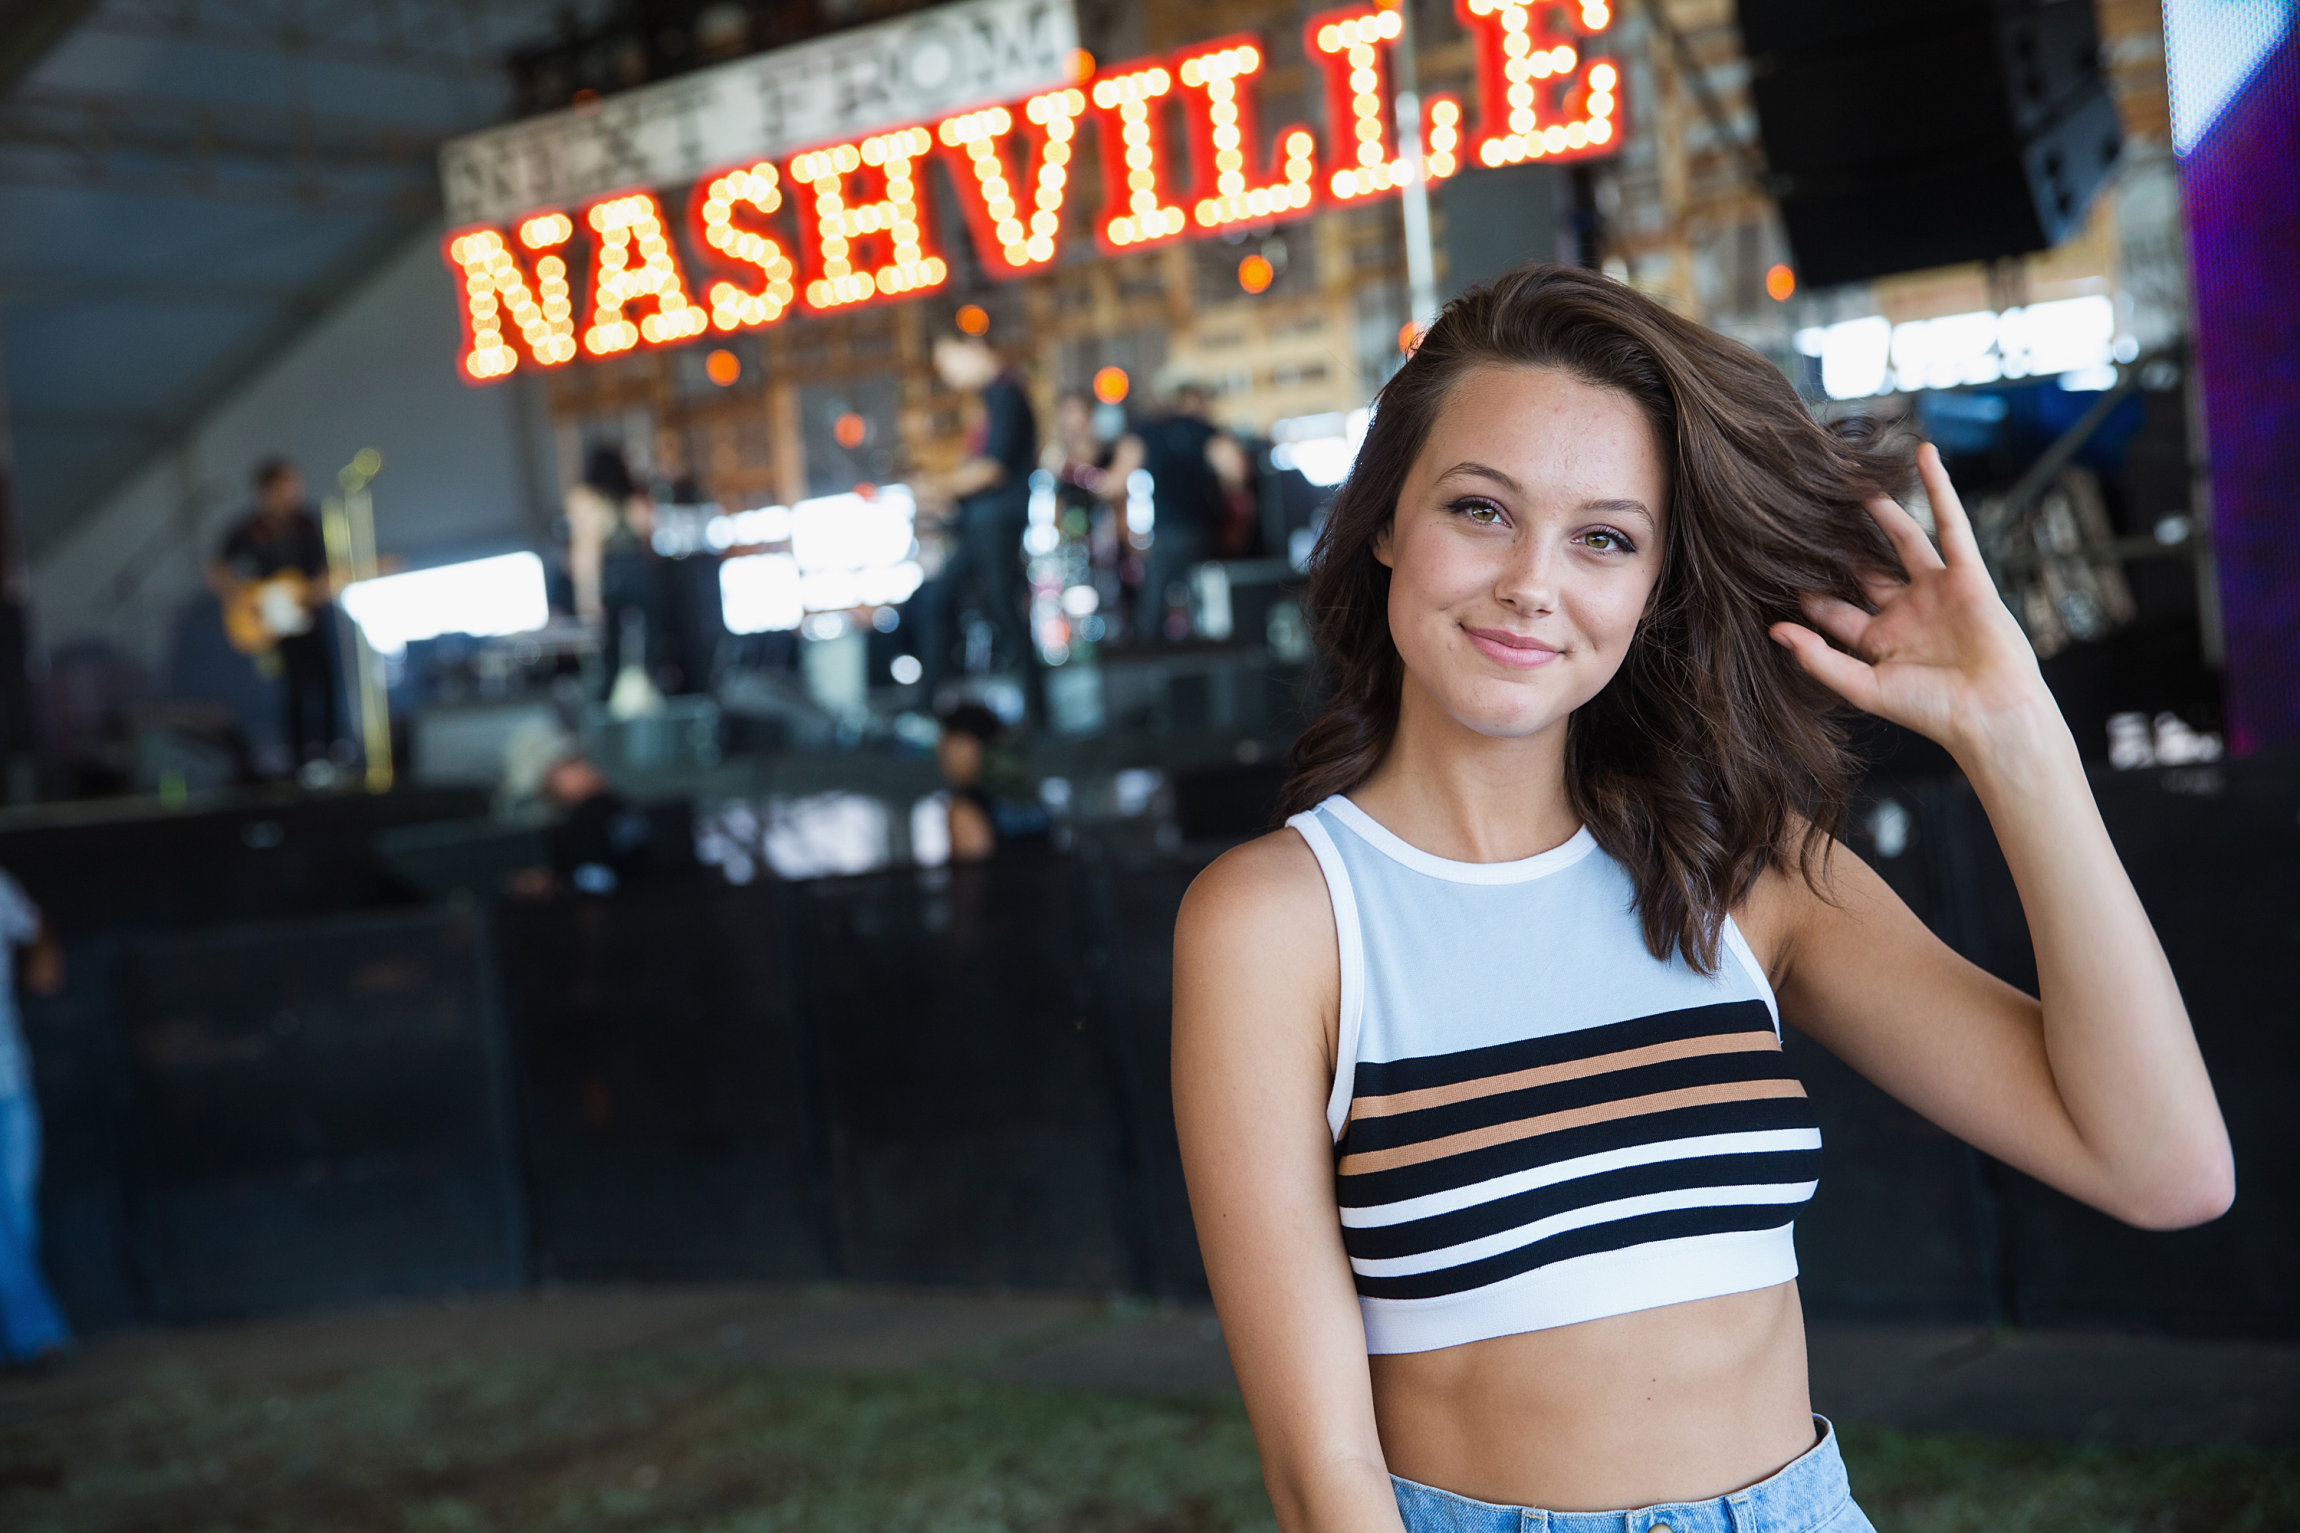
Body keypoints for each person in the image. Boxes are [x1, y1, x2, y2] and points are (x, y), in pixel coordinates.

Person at [1170, 265, 2232, 1532]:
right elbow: (1319, 1476)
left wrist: (2014, 738)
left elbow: (2161, 1166)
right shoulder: (1281, 925)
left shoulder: (1740, 873)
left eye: (1603, 538)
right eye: (1479, 509)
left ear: (1652, 584)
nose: (1531, 583)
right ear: (1386, 520)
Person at [914, 328, 1043, 718]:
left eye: (947, 362)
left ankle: (1039, 715)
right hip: (981, 523)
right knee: (942, 602)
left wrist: (939, 485)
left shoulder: (1006, 393)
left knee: (1003, 612)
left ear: (971, 348)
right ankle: (933, 708)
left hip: (996, 524)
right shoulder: (991, 399)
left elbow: (992, 469)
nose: (947, 374)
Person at [207, 457, 339, 771]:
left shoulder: (310, 523)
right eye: (287, 485)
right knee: (290, 689)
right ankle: (297, 763)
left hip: (309, 618)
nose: (294, 492)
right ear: (267, 490)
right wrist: (241, 599)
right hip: (272, 622)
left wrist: (324, 586)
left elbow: (325, 571)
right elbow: (218, 567)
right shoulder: (247, 529)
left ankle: (332, 756)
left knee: (326, 682)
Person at [0, 868, 68, 1369]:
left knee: (18, 1213)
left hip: (9, 1079)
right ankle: (38, 1336)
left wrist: (43, 957)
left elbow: (34, 924)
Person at [1106, 384, 1231, 642]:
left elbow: (1114, 483)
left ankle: (1151, 666)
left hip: (1163, 533)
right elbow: (1234, 471)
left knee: (1152, 609)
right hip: (1202, 531)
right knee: (1207, 607)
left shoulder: (1147, 431)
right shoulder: (1205, 432)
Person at [565, 443, 660, 701]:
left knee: (610, 651)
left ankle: (609, 705)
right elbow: (648, 536)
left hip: (611, 576)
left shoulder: (587, 498)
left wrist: (587, 596)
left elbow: (587, 549)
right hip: (640, 573)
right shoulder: (634, 498)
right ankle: (651, 690)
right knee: (651, 646)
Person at [936, 701, 1004, 863]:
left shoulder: (965, 809)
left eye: (947, 744)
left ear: (970, 745)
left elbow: (972, 880)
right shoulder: (1029, 800)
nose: (942, 755)